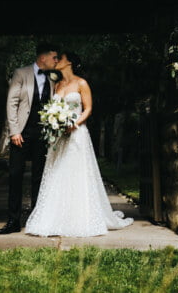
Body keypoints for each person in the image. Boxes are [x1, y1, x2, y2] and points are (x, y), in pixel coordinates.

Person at [24, 51, 134, 237]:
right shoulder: (57, 85)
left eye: (60, 58)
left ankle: (80, 217)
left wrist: (74, 123)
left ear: (69, 63)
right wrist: (54, 122)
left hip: (77, 134)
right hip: (59, 137)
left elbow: (88, 108)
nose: (56, 61)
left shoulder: (81, 83)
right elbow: (53, 108)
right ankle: (56, 218)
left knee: (77, 173)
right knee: (58, 173)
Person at [0, 43, 59, 235]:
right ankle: (13, 221)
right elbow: (12, 102)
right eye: (54, 57)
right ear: (43, 58)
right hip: (22, 133)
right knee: (15, 174)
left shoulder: (53, 77)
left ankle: (36, 221)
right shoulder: (20, 73)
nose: (56, 61)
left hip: (43, 134)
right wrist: (14, 131)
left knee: (39, 177)